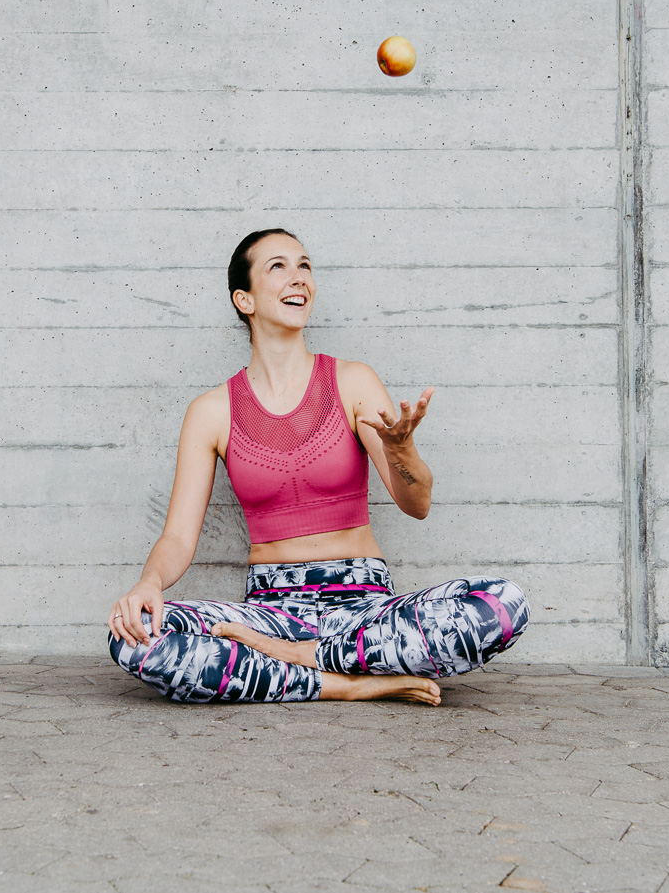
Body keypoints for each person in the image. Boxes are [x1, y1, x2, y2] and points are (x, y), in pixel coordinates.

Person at [106, 228, 529, 704]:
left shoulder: (352, 381)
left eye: (304, 266)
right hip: (270, 612)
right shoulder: (211, 412)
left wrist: (402, 449)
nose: (298, 278)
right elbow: (179, 538)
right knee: (132, 634)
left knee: (504, 603)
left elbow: (418, 505)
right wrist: (149, 583)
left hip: (364, 608)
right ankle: (344, 684)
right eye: (278, 267)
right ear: (243, 299)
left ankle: (298, 661)